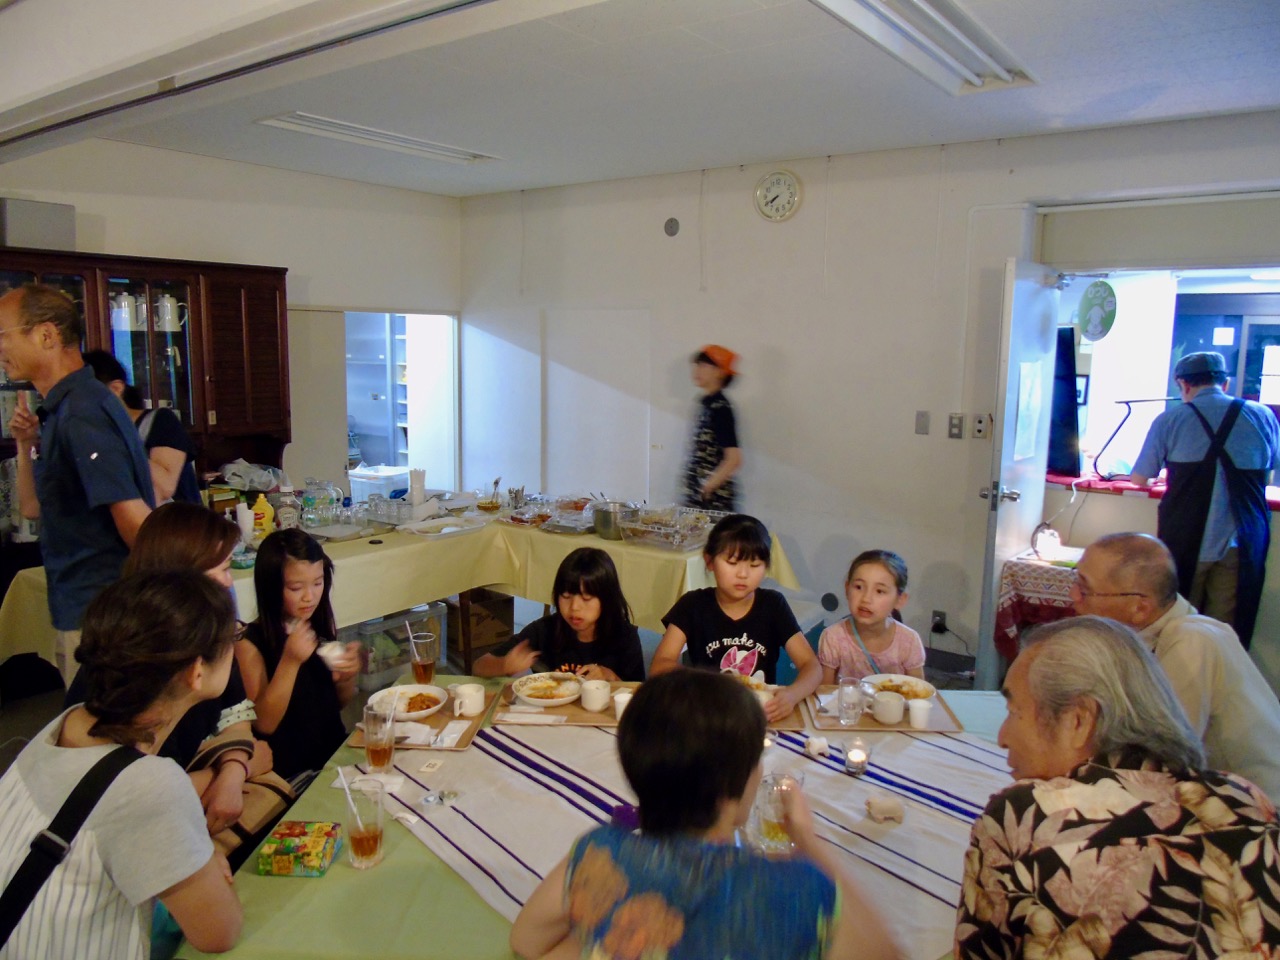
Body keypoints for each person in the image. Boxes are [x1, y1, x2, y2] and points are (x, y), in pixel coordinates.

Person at [511, 670, 901, 960]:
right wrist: (808, 841)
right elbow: (883, 953)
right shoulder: (796, 889)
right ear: (732, 788)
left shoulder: (599, 854)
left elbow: (527, 942)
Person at [956, 615, 1280, 959]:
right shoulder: (1244, 797)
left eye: (1013, 711)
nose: (1002, 737)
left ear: (1078, 720)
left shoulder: (1026, 815)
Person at [0, 571, 243, 958]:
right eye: (235, 636)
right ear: (196, 672)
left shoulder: (68, 722)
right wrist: (205, 862)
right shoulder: (150, 783)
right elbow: (219, 933)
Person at [0, 283, 154, 683]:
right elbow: (33, 509)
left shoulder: (83, 412)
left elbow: (134, 519)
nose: (0, 349)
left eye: (3, 335)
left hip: (105, 620)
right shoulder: (64, 409)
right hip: (83, 610)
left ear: (46, 335)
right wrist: (25, 444)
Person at [1070, 531, 1280, 800]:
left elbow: (1163, 758)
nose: (1073, 595)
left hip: (1257, 807)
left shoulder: (1192, 642)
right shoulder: (1150, 632)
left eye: (1085, 589)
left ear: (1140, 607)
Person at [1131, 350, 1280, 647]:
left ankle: (1178, 676)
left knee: (1177, 626)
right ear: (1225, 384)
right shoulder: (1262, 415)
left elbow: (1139, 478)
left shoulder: (1171, 419)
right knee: (1223, 633)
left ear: (1183, 384)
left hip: (1187, 538)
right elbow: (1271, 467)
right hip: (1242, 541)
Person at [651, 514, 822, 723]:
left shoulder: (773, 605)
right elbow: (660, 665)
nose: (743, 574)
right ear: (709, 561)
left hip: (758, 714)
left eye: (755, 565)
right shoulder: (693, 604)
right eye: (732, 562)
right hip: (707, 712)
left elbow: (812, 666)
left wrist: (792, 695)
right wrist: (702, 684)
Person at [234, 529, 361, 784]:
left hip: (333, 755)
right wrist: (290, 661)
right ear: (271, 587)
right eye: (296, 587)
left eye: (318, 583)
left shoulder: (315, 624)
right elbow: (264, 723)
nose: (309, 597)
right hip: (292, 773)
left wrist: (346, 679)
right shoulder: (249, 643)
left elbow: (335, 705)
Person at [473, 547, 645, 681]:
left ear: (607, 599)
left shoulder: (624, 637)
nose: (574, 607)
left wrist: (611, 677)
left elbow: (639, 696)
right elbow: (479, 666)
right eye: (566, 596)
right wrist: (504, 665)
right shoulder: (546, 629)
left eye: (586, 598)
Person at [83, 349, 202, 503]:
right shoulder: (86, 434)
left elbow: (164, 488)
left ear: (116, 389)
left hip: (170, 518)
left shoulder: (160, 421)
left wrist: (112, 441)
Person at [818, 549, 925, 683]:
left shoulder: (909, 641)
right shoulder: (833, 637)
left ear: (900, 599)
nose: (866, 599)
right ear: (847, 588)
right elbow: (825, 691)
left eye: (879, 591)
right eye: (858, 587)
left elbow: (918, 690)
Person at [682, 344, 742, 511]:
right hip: (700, 497)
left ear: (720, 372)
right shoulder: (707, 404)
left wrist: (706, 488)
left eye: (703, 366)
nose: (697, 370)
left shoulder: (721, 408)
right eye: (697, 365)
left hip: (713, 502)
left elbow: (734, 459)